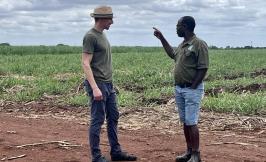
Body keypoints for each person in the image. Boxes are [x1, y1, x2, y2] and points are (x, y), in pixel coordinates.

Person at [82, 6, 137, 162]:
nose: (112, 22)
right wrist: (94, 88)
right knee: (97, 120)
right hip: (98, 85)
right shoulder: (91, 36)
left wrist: (111, 84)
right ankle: (96, 156)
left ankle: (116, 152)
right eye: (110, 19)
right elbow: (86, 63)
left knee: (113, 116)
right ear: (101, 19)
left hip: (108, 84)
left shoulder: (102, 35)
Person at [153, 16, 209, 162]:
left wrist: (193, 86)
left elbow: (203, 67)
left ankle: (196, 154)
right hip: (180, 89)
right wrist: (161, 38)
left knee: (191, 122)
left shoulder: (199, 44)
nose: (176, 28)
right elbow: (172, 54)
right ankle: (189, 152)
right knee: (185, 122)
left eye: (178, 25)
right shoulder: (183, 44)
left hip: (191, 89)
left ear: (185, 26)